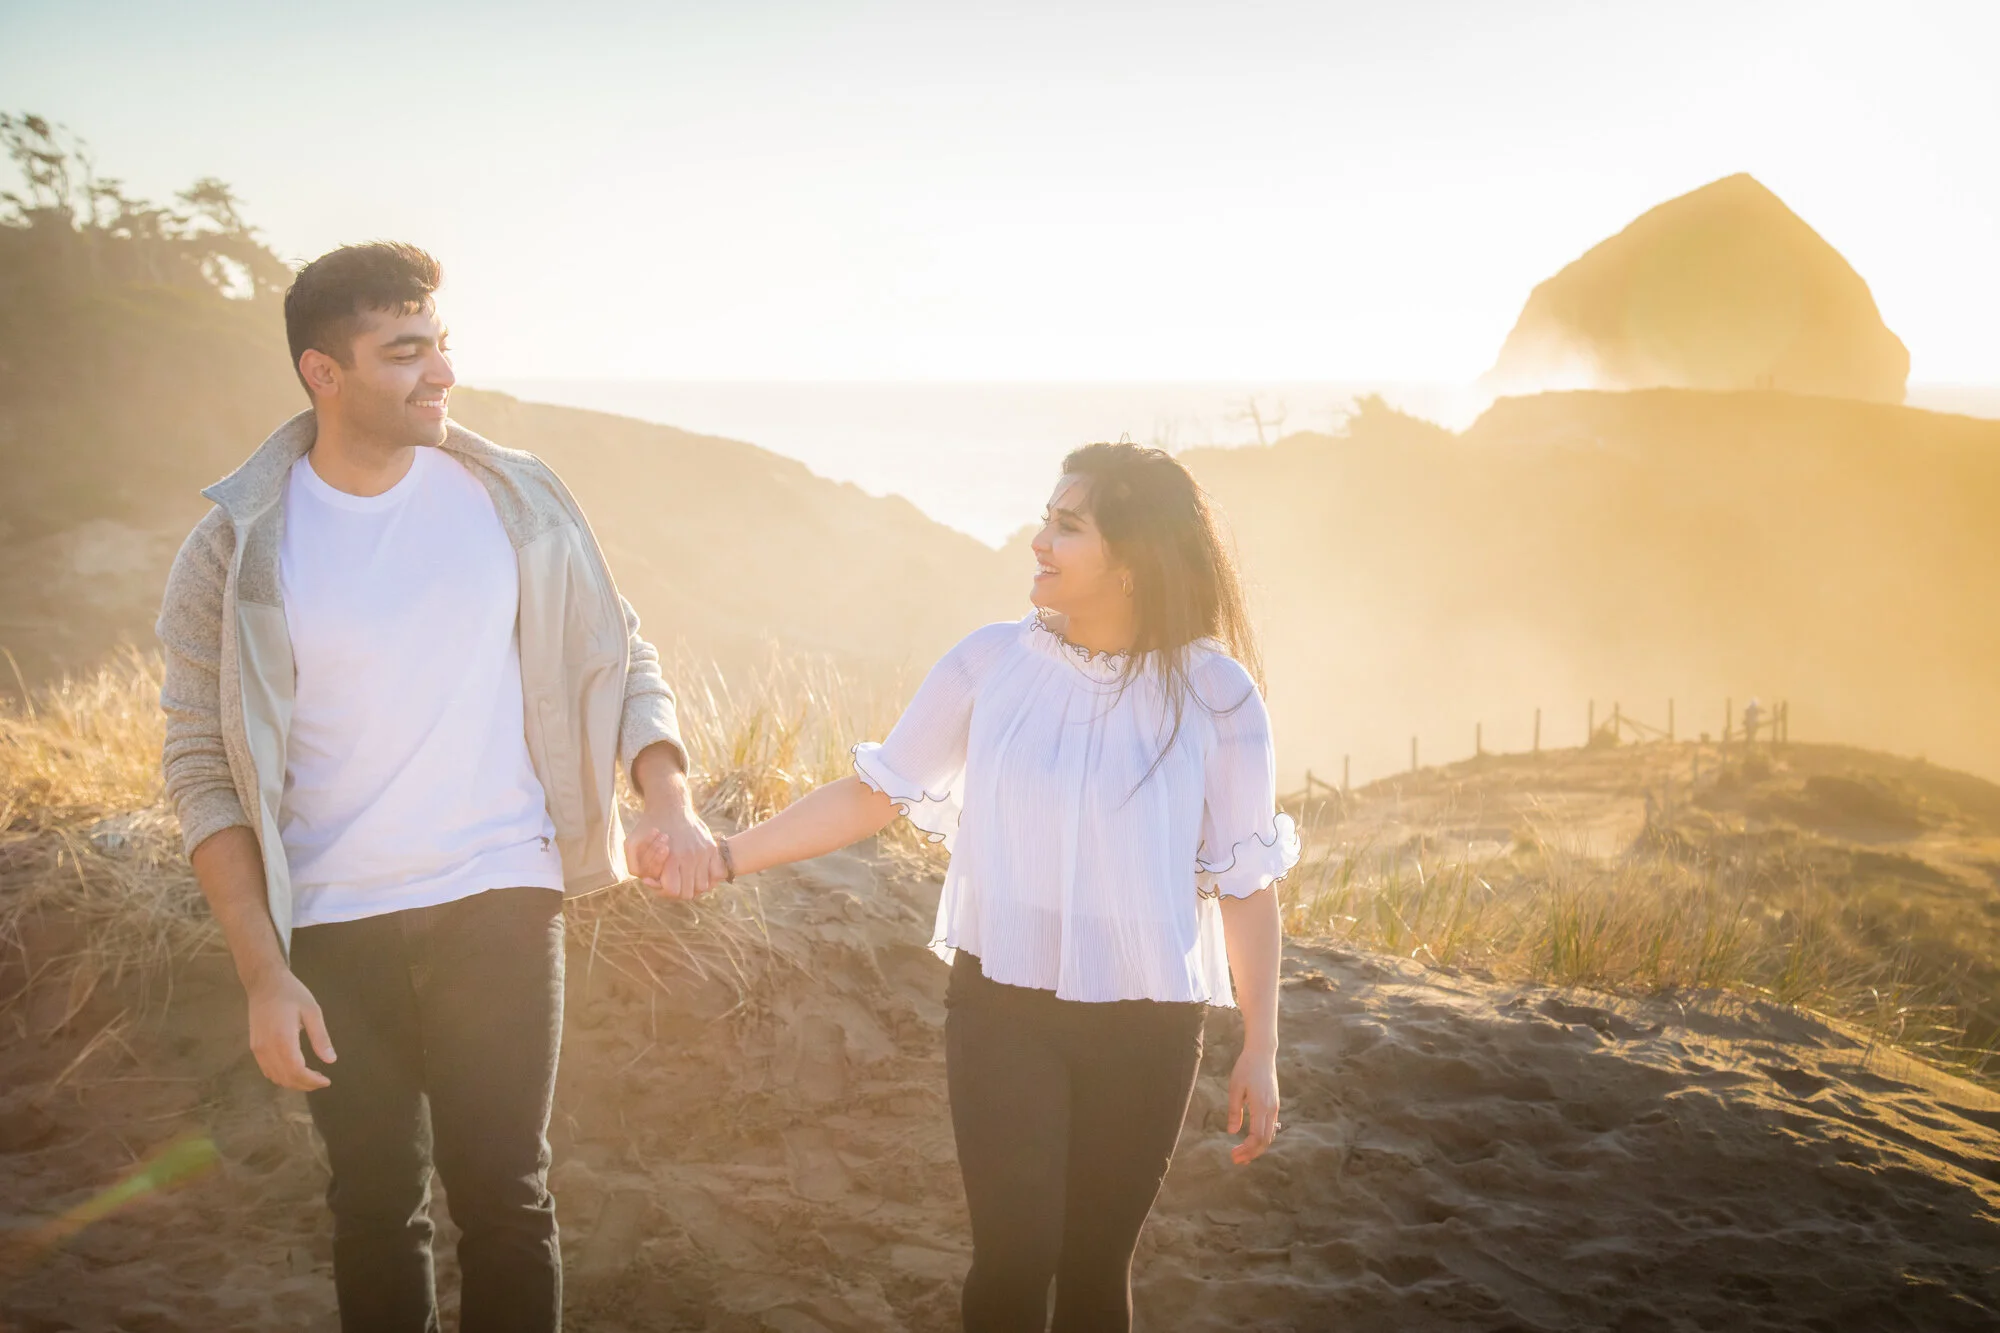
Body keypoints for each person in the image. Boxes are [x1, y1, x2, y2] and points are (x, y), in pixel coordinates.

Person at [155, 242, 720, 1333]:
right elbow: (200, 769)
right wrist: (264, 972)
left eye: (442, 345)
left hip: (500, 897)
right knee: (373, 1208)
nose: (441, 375)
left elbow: (619, 655)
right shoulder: (234, 548)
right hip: (332, 921)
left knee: (508, 1200)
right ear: (325, 373)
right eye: (405, 352)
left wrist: (668, 796)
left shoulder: (516, 497)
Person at [638, 442, 1298, 1332]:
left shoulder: (1219, 697)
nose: (1039, 540)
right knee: (1016, 1259)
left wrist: (1259, 1044)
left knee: (1097, 1267)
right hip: (1004, 1006)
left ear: (1136, 559)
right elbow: (876, 792)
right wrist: (726, 856)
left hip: (1149, 1019)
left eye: (1068, 526)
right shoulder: (991, 664)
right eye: (1046, 518)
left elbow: (1248, 885)